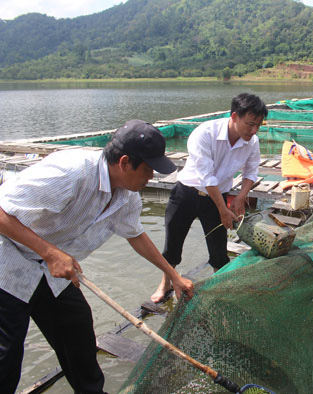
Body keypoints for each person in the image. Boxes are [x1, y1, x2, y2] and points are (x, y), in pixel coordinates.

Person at [0, 119, 194, 394]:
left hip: (49, 268)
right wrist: (51, 252)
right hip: (7, 260)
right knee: (7, 353)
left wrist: (174, 276)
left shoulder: (127, 195)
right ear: (125, 162)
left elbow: (136, 235)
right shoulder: (72, 172)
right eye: (149, 169)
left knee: (77, 329)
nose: (152, 177)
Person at [151, 93, 267, 302]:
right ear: (234, 116)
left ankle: (220, 284)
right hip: (187, 192)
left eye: (258, 125)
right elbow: (206, 176)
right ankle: (165, 282)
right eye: (250, 124)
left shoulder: (252, 141)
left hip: (218, 196)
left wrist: (241, 197)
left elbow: (251, 172)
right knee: (173, 243)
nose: (254, 130)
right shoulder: (204, 133)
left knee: (218, 246)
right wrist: (223, 209)